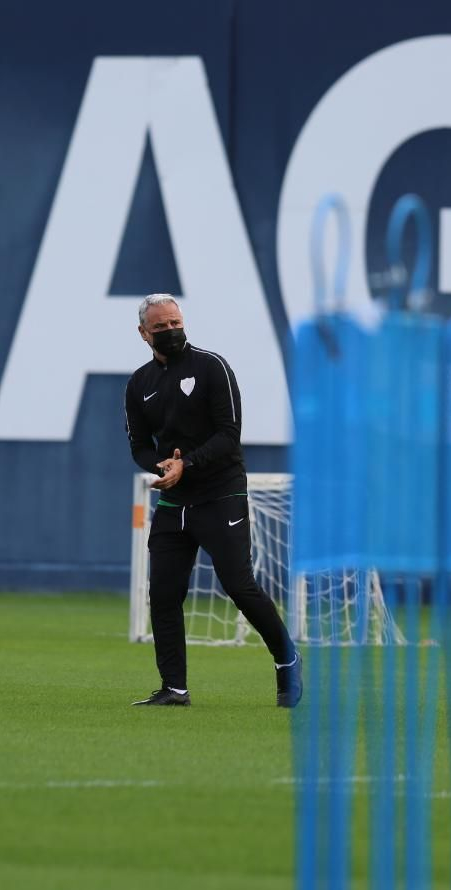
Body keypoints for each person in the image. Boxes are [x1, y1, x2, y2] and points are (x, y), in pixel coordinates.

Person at [122, 293, 301, 708]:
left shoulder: (211, 367)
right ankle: (174, 688)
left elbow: (229, 434)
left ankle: (287, 660)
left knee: (239, 586)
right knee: (163, 593)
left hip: (221, 493)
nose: (171, 331)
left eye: (175, 323)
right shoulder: (139, 384)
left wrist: (187, 464)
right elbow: (138, 445)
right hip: (174, 501)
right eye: (161, 327)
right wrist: (161, 466)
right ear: (144, 333)